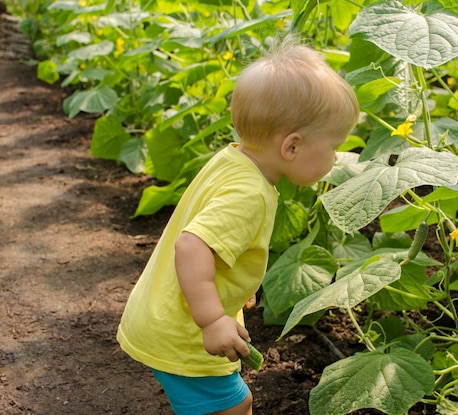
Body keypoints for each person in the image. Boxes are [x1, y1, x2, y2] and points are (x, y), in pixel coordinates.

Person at [116, 35, 360, 415]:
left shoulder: (235, 160)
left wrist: (231, 283)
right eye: (332, 146)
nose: (336, 156)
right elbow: (192, 246)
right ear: (291, 147)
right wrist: (213, 318)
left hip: (162, 312)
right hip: (183, 332)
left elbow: (215, 238)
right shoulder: (250, 194)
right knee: (233, 408)